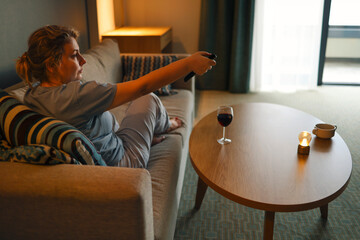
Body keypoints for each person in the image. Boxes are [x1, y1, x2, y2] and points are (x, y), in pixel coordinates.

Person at [16, 25, 216, 168]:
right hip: (123, 162)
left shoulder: (32, 94)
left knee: (131, 110)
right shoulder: (77, 95)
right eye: (74, 55)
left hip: (110, 143)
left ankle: (147, 137)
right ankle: (167, 125)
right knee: (149, 99)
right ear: (52, 66)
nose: (83, 61)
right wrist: (188, 63)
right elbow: (142, 87)